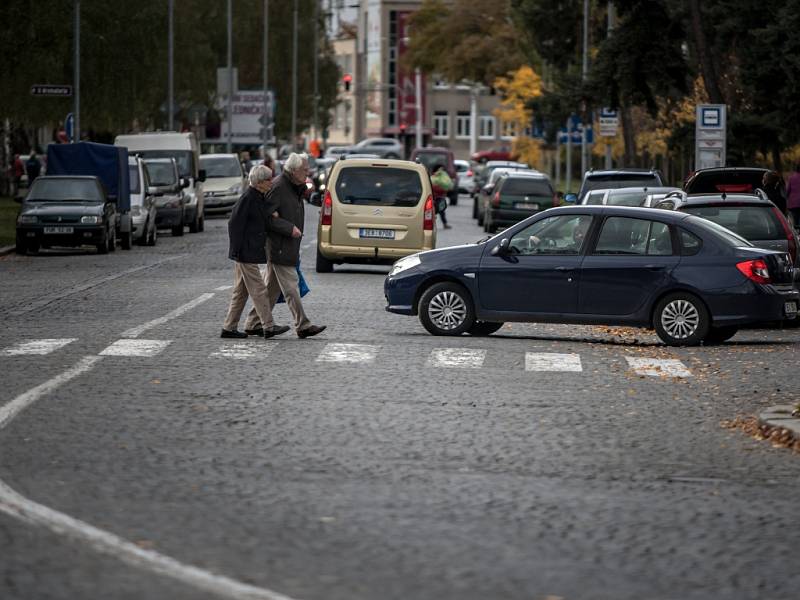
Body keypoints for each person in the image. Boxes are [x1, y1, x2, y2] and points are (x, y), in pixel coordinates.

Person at [244, 152, 326, 339]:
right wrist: (290, 228)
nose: (308, 172)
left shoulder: (294, 185)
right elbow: (266, 217)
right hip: (279, 246)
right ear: (294, 170)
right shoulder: (279, 186)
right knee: (291, 287)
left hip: (287, 245)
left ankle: (253, 323)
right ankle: (303, 325)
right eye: (305, 169)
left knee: (272, 289)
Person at [221, 165, 292, 339]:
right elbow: (234, 225)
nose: (271, 182)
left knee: (241, 292)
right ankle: (268, 326)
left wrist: (272, 214)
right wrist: (237, 251)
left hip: (247, 251)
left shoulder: (258, 197)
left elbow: (261, 216)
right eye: (269, 179)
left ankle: (229, 328)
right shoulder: (248, 198)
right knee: (259, 290)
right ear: (259, 182)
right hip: (245, 252)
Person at [430, 164, 453, 229]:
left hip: (440, 197)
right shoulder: (433, 177)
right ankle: (442, 224)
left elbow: (448, 186)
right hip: (434, 197)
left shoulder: (443, 177)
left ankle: (444, 224)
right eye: (440, 169)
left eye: (442, 169)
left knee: (441, 210)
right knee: (433, 211)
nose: (441, 171)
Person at [786, 164, 800, 230]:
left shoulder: (792, 177)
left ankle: (796, 231)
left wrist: (787, 197)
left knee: (795, 219)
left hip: (794, 203)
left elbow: (788, 190)